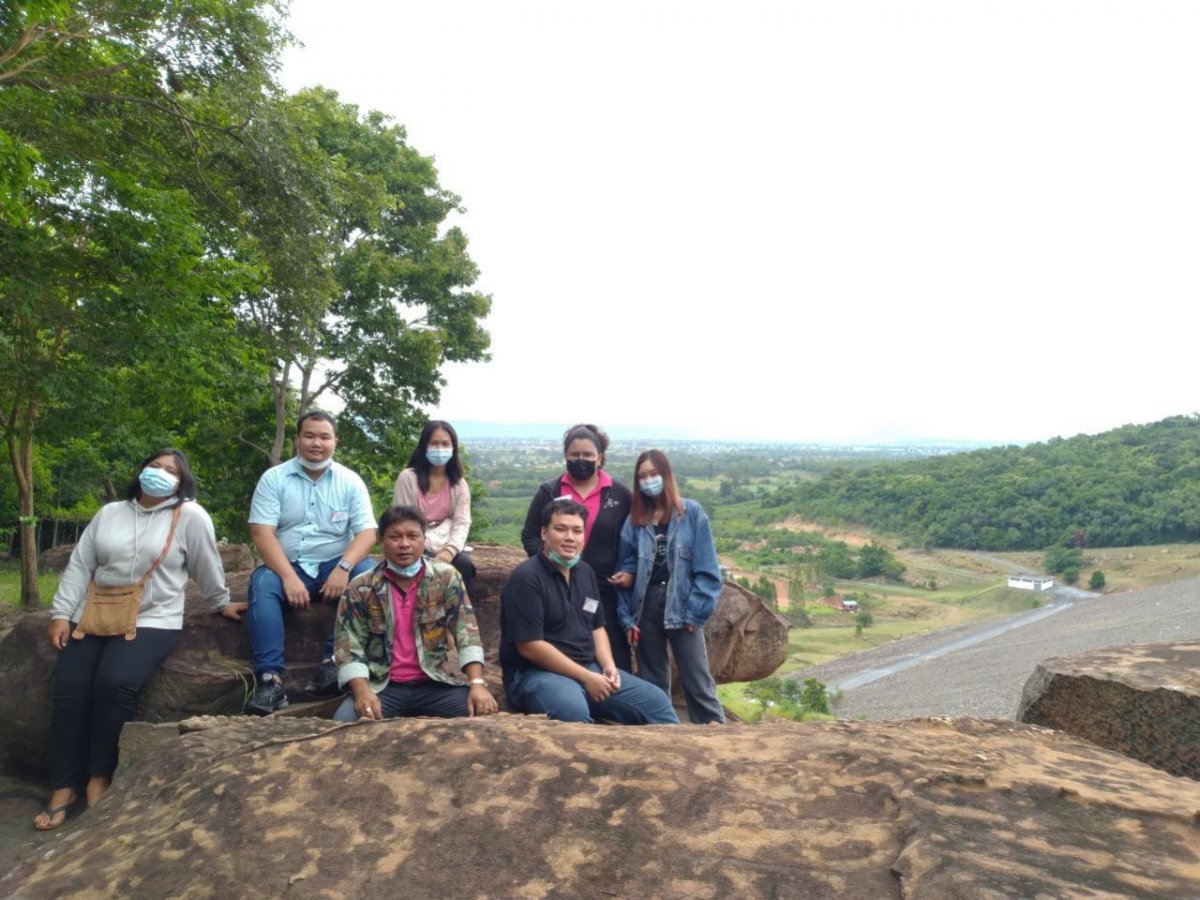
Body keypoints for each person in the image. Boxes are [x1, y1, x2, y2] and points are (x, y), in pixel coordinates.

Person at [34, 449, 244, 830]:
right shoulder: (110, 513)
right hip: (94, 613)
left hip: (153, 617)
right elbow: (81, 565)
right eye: (155, 467)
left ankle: (100, 775)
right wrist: (61, 614)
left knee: (114, 684)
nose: (160, 474)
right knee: (70, 687)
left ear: (181, 483)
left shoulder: (190, 516)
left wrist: (221, 603)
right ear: (141, 470)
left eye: (170, 472)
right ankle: (63, 785)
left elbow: (206, 564)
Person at [244, 411, 377, 714]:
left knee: (368, 575)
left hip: (334, 563)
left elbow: (367, 532)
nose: (316, 443)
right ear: (297, 440)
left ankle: (334, 663)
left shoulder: (349, 481)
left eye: (324, 437)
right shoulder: (274, 479)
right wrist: (288, 577)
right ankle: (270, 681)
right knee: (263, 583)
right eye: (309, 435)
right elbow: (261, 532)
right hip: (289, 565)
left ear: (335, 442)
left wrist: (344, 568)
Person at [501, 498, 679, 725]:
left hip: (589, 667)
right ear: (544, 533)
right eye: (561, 529)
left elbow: (596, 627)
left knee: (657, 702)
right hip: (537, 673)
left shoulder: (584, 572)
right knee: (572, 712)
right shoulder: (526, 578)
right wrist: (586, 678)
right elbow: (530, 647)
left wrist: (608, 667)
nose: (569, 537)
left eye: (577, 531)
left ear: (584, 538)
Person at [332, 505, 497, 721]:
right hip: (382, 685)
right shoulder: (361, 587)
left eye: (412, 536)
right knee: (344, 722)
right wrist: (362, 692)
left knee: (484, 714)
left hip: (434, 684)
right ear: (382, 541)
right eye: (395, 537)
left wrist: (477, 684)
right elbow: (348, 645)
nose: (404, 544)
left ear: (423, 538)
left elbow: (467, 633)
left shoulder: (446, 578)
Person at [612, 450, 726, 724]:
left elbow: (708, 570)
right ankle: (663, 742)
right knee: (653, 681)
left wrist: (696, 612)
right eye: (642, 476)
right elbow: (627, 563)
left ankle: (718, 740)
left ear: (666, 475)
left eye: (654, 474)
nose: (648, 480)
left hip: (682, 605)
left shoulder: (691, 513)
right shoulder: (635, 521)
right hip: (646, 607)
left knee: (697, 681)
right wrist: (627, 614)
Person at [519, 424, 633, 671]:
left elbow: (634, 540)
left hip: (605, 587)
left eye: (588, 455)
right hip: (558, 586)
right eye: (575, 455)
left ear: (599, 458)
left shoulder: (619, 494)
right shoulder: (550, 491)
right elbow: (530, 534)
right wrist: (550, 565)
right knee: (563, 653)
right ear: (566, 456)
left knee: (614, 659)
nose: (581, 460)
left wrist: (630, 570)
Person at [392, 420, 475, 594]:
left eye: (445, 444)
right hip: (415, 542)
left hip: (445, 542)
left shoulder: (458, 484)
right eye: (434, 443)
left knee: (465, 566)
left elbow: (462, 521)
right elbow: (402, 520)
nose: (439, 448)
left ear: (453, 448)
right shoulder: (408, 478)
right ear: (424, 446)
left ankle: (456, 613)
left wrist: (449, 551)